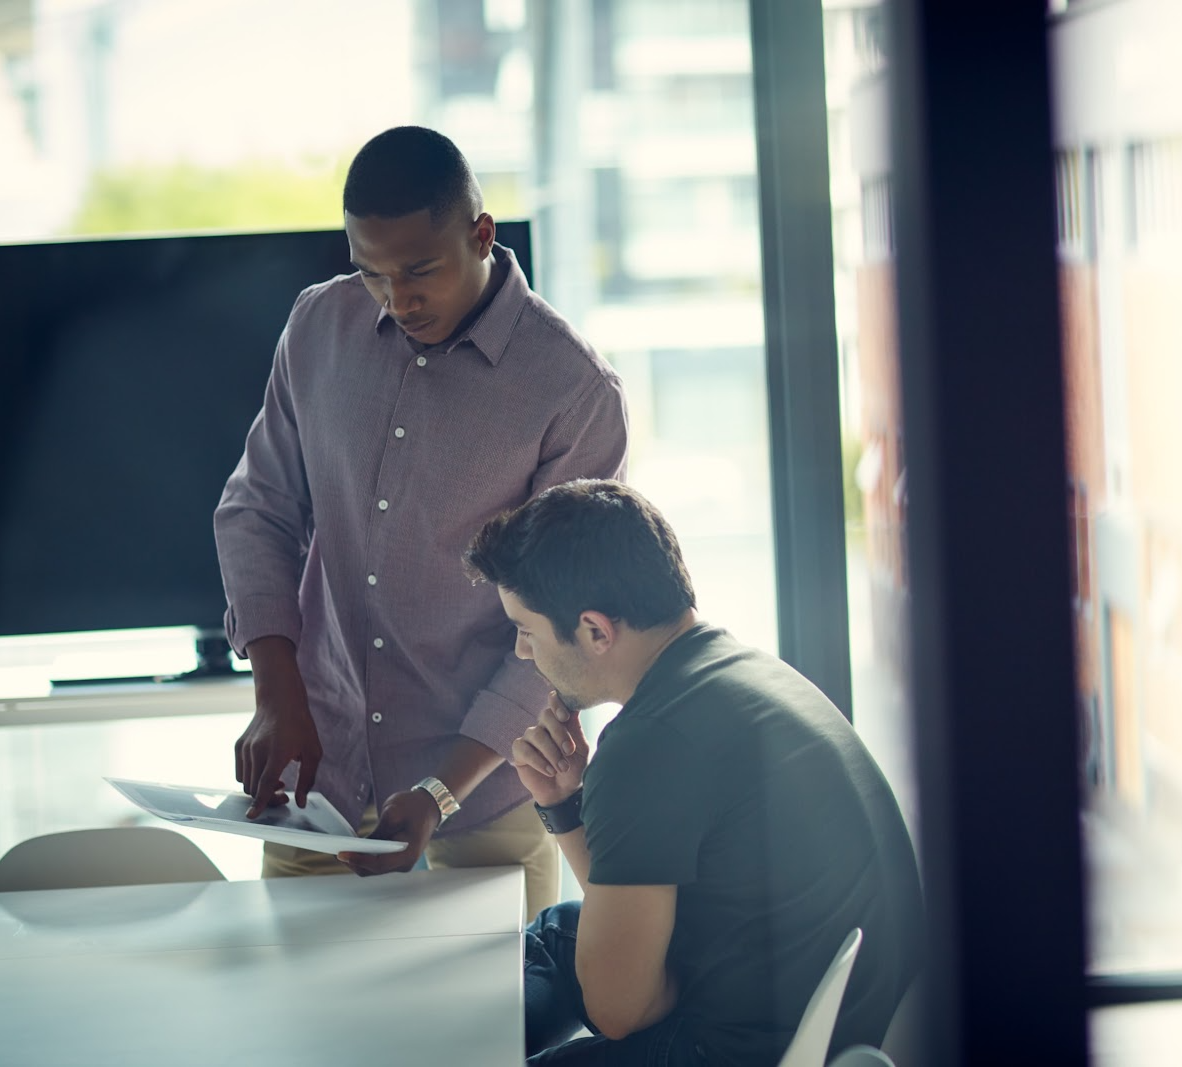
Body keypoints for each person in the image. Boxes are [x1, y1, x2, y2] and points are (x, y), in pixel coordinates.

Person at [214, 126, 628, 920]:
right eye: (370, 272)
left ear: (481, 233)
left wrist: (440, 790)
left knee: (482, 1045)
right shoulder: (316, 329)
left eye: (419, 271)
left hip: (484, 810)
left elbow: (563, 637)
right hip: (318, 797)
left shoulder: (573, 393)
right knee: (308, 1036)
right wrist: (277, 693)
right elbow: (255, 507)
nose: (397, 300)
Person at [464, 479, 925, 1066]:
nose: (524, 654)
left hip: (740, 1049)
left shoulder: (647, 744)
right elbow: (632, 897)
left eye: (526, 630)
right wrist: (565, 804)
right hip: (838, 1020)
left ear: (596, 631)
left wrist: (657, 986)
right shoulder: (741, 671)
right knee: (560, 934)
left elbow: (618, 1012)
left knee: (552, 972)